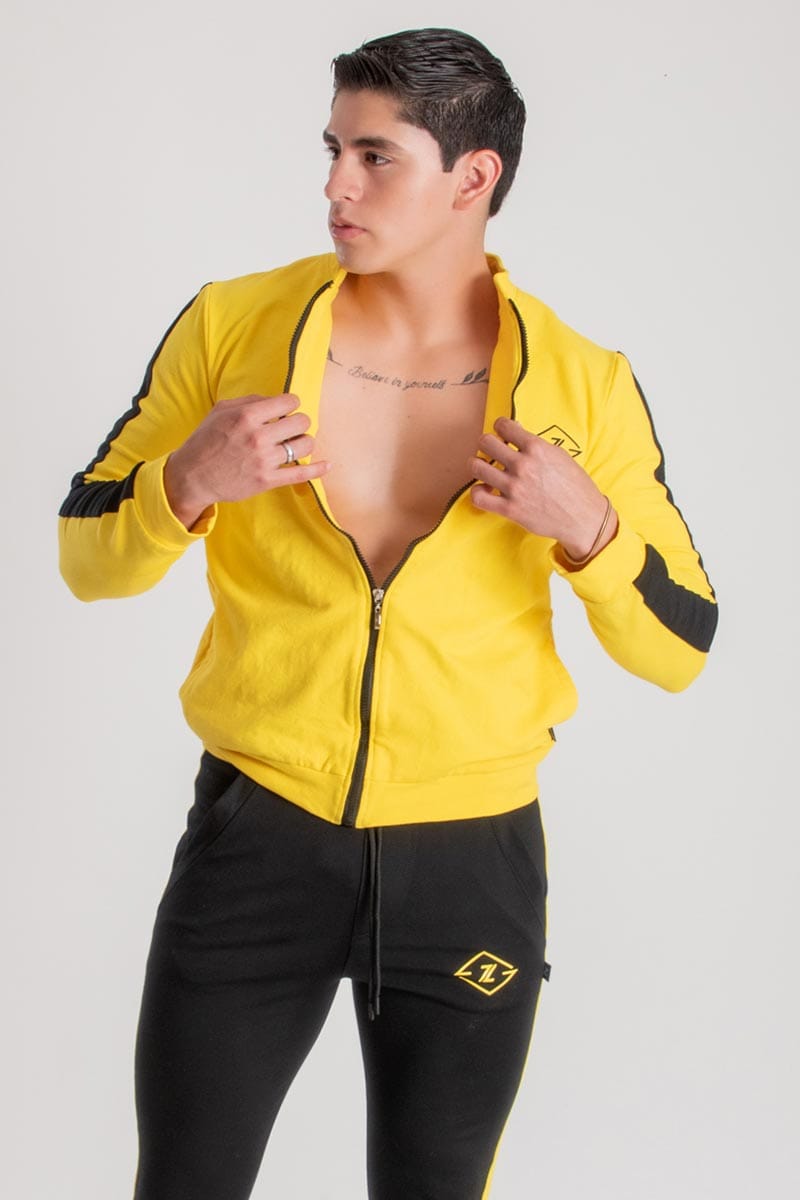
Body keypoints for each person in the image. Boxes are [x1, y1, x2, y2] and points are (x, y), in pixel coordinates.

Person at [57, 27, 718, 1200]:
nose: (334, 186)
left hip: (470, 860)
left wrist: (592, 532)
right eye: (331, 150)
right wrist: (185, 483)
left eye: (374, 157)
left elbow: (682, 647)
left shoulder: (583, 382)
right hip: (257, 836)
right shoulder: (232, 326)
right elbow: (85, 558)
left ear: (473, 177)